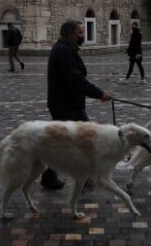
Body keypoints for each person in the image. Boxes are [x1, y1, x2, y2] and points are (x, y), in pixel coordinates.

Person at [40, 19, 112, 190]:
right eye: (80, 33)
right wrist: (99, 93)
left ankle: (51, 177)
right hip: (66, 105)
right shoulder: (64, 51)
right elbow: (76, 80)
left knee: (65, 142)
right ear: (70, 34)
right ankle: (83, 176)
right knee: (84, 139)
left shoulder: (65, 49)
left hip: (67, 103)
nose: (83, 36)